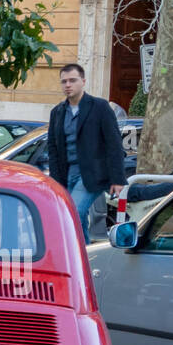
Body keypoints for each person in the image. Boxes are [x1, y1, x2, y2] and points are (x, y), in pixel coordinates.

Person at [47, 63, 126, 243]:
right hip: (66, 175)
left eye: (72, 80)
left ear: (83, 81)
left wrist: (117, 179)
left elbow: (114, 144)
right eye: (64, 81)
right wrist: (55, 181)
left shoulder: (100, 107)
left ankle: (81, 255)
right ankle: (84, 254)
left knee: (74, 211)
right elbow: (52, 148)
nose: (68, 85)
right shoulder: (57, 113)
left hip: (92, 175)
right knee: (74, 216)